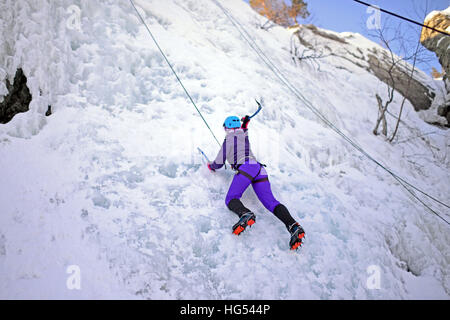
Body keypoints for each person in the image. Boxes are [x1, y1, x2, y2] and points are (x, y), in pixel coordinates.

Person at [207, 114, 305, 250]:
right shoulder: (244, 137)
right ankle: (294, 227)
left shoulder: (228, 140)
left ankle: (245, 213)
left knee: (231, 199)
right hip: (259, 169)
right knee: (272, 203)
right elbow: (243, 131)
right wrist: (245, 124)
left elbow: (218, 163)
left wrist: (210, 166)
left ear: (226, 128)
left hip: (246, 168)